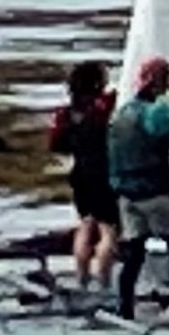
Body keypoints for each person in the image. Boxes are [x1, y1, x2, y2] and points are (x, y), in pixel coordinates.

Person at [106, 58, 169, 319]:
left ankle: (124, 305)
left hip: (126, 195)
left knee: (134, 254)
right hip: (155, 191)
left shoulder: (121, 113)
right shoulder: (157, 113)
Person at [48, 62, 120, 288]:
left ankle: (82, 279)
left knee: (86, 225)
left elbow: (57, 144)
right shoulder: (104, 108)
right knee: (108, 231)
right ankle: (105, 282)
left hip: (80, 174)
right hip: (103, 174)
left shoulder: (67, 113)